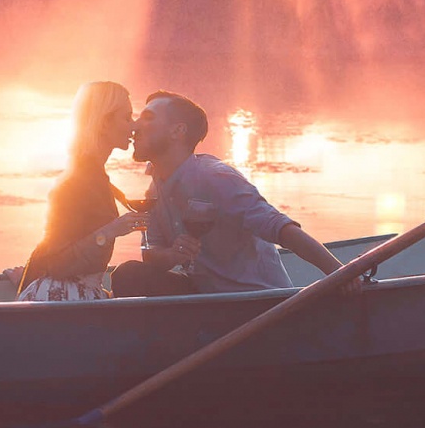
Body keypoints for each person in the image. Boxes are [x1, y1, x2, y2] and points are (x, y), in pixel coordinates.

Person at [110, 91, 342, 297]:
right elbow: (152, 254)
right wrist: (172, 255)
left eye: (148, 118)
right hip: (205, 297)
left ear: (177, 131)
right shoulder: (156, 188)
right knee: (128, 275)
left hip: (253, 301)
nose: (135, 126)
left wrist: (340, 274)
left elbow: (282, 229)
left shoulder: (216, 178)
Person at [15, 80, 145, 301]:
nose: (133, 126)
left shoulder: (93, 175)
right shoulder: (78, 182)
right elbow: (56, 261)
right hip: (65, 297)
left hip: (78, 291)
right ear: (104, 123)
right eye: (126, 118)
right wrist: (109, 232)